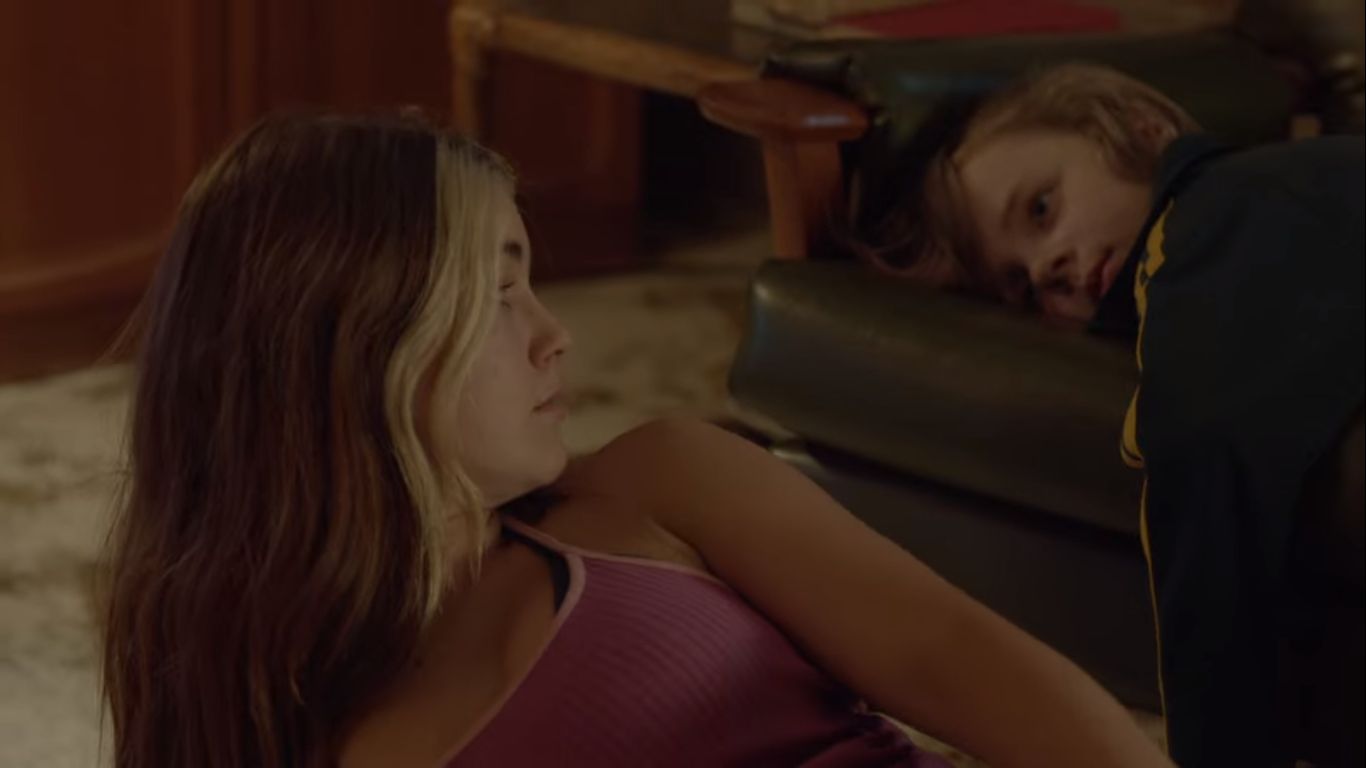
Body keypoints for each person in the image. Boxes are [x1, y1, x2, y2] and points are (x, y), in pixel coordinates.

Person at [97, 112, 1170, 768]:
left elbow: (956, 654)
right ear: (351, 347)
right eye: (498, 294)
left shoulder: (657, 484)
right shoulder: (275, 722)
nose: (554, 336)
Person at [860, 65, 1364, 766]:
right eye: (1020, 283)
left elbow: (1204, 465)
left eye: (1041, 209)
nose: (1047, 268)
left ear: (1140, 130)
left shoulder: (1211, 216)